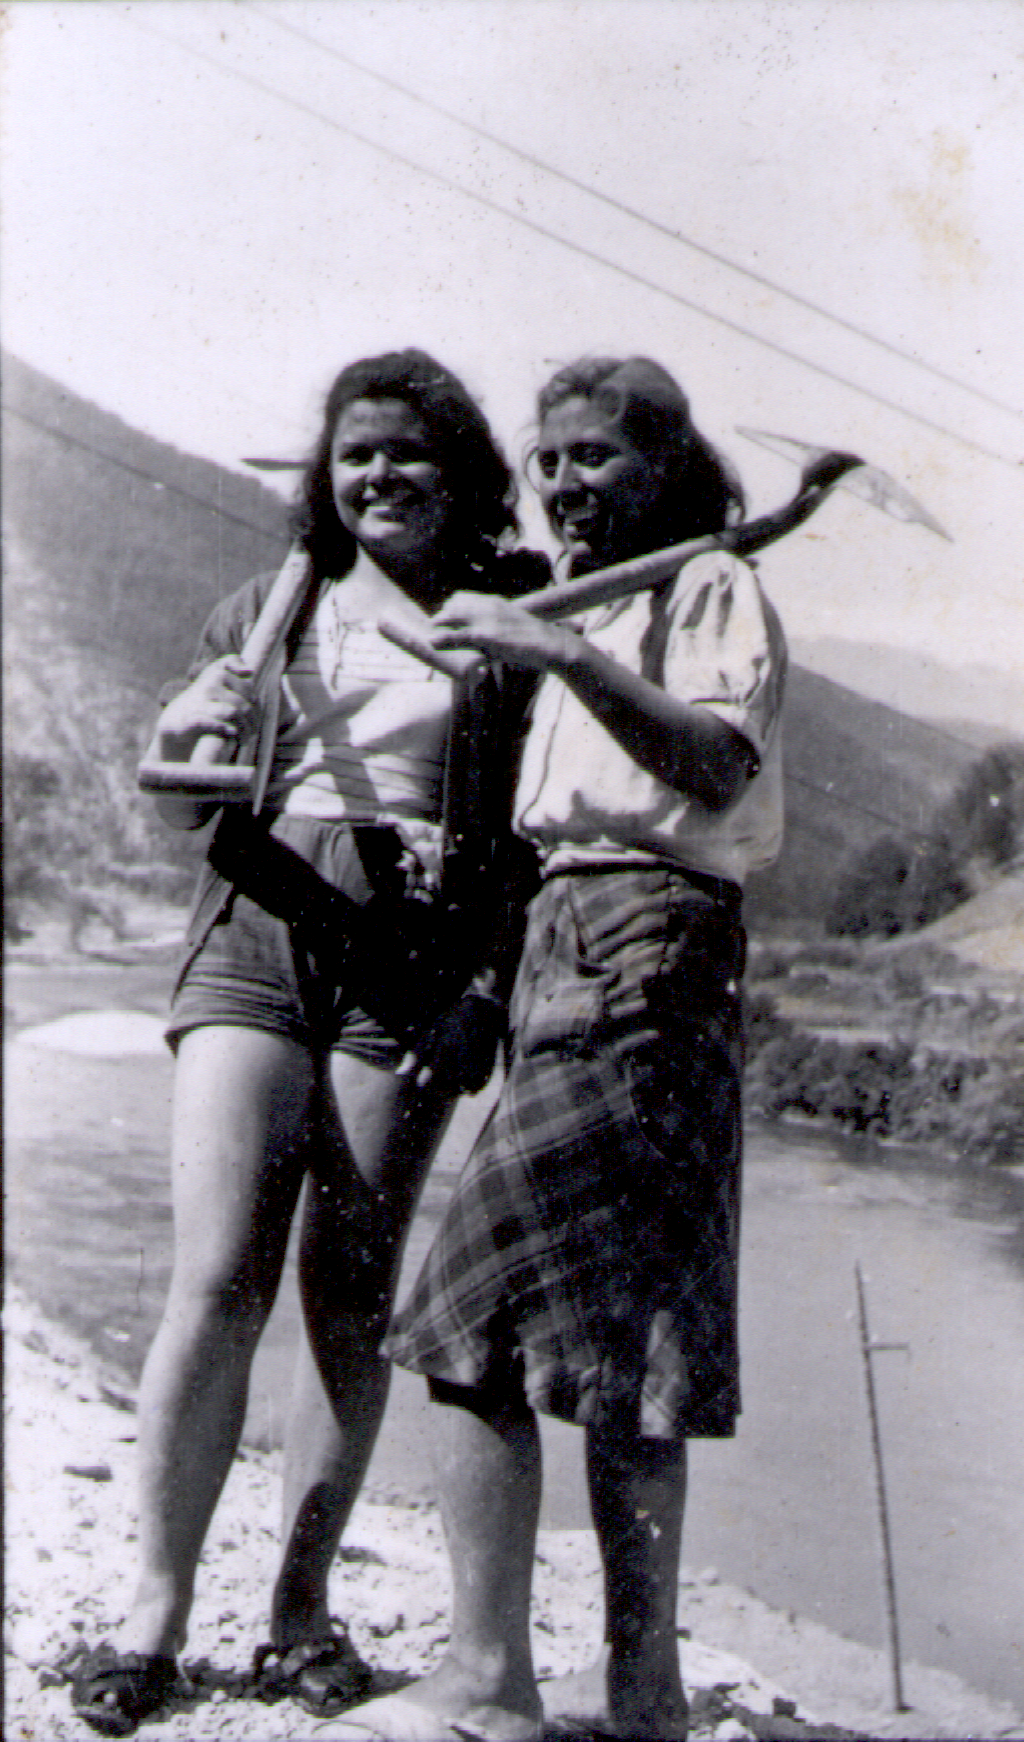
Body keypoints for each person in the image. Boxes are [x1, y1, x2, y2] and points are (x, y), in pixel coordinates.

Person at [71, 350, 544, 1737]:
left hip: (413, 962)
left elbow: (539, 837)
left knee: (349, 1292)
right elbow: (177, 800)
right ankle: (150, 1612)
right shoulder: (266, 611)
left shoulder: (514, 618)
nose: (381, 473)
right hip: (259, 931)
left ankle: (297, 1612)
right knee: (217, 1277)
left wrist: (489, 998)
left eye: (408, 451)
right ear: (324, 478)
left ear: (458, 469)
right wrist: (177, 734)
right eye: (356, 454)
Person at [336, 356, 787, 1742]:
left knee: (466, 1315)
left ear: (665, 460)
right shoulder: (606, 593)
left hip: (646, 943)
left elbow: (717, 768)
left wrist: (570, 656)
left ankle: (487, 1679)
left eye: (595, 455)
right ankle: (641, 1694)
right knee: (626, 1338)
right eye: (550, 460)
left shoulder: (707, 584)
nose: (566, 482)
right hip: (578, 946)